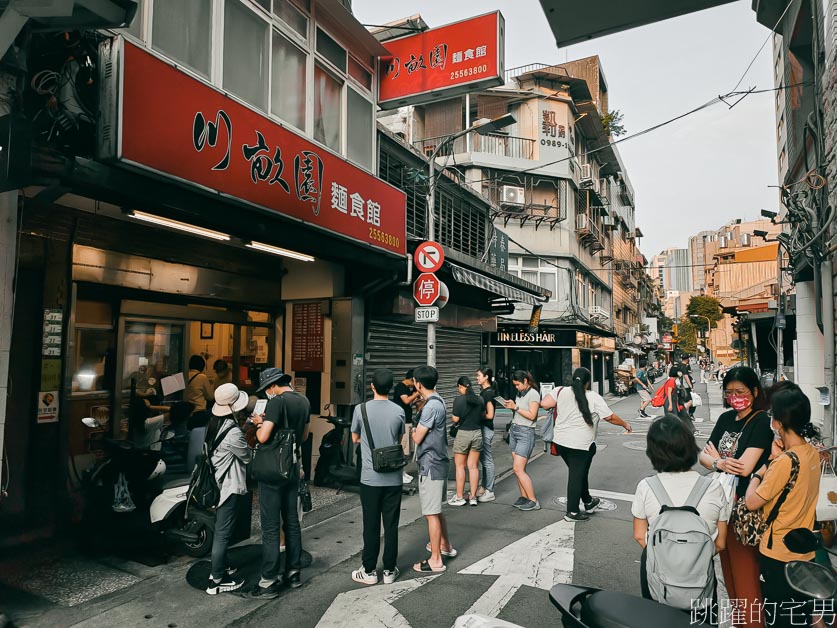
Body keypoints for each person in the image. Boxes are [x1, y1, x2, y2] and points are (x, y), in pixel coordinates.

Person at [698, 366, 772, 628]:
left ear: (754, 391)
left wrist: (717, 459)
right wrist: (719, 462)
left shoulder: (762, 421)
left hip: (744, 511)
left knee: (746, 580)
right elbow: (702, 457)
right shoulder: (725, 419)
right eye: (730, 393)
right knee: (729, 577)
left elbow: (745, 467)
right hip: (722, 509)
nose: (735, 397)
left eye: (740, 391)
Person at [744, 383, 821, 628]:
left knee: (781, 618)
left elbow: (752, 501)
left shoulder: (783, 463)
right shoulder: (812, 454)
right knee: (801, 611)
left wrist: (761, 470)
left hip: (778, 553)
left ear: (778, 422)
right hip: (804, 548)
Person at [632, 414, 730, 602]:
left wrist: (668, 555)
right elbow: (721, 543)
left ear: (653, 452)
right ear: (690, 447)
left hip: (658, 580)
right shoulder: (713, 487)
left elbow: (639, 535)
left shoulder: (646, 486)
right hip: (700, 578)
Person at [248, 368, 310, 598]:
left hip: (273, 470)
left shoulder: (276, 402)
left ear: (273, 386)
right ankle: (293, 573)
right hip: (292, 468)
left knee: (271, 525)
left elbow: (263, 437)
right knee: (291, 521)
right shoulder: (303, 400)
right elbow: (303, 436)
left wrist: (258, 423)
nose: (266, 393)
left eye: (266, 389)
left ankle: (268, 580)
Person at [542, 367, 632, 522]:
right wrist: (625, 424)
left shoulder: (560, 391)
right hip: (581, 445)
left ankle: (588, 502)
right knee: (576, 475)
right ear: (587, 383)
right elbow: (609, 417)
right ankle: (572, 512)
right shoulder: (593, 397)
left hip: (561, 442)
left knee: (578, 472)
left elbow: (544, 404)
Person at [350, 369, 405, 586]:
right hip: (393, 478)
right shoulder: (399, 411)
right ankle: (390, 570)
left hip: (370, 479)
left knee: (370, 524)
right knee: (391, 525)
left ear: (372, 387)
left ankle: (370, 570)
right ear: (391, 388)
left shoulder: (360, 409)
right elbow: (399, 438)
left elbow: (354, 437)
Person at [205, 383, 252, 595]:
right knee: (223, 533)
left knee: (222, 530)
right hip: (228, 485)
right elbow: (247, 456)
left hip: (217, 482)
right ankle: (217, 580)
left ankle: (221, 566)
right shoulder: (232, 432)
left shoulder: (213, 424)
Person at [411, 365, 454, 573]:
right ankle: (445, 546)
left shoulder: (430, 407)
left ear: (419, 384)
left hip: (431, 464)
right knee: (436, 510)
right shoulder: (438, 400)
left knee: (430, 513)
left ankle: (435, 559)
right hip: (439, 461)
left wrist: (412, 432)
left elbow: (418, 437)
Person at [502, 371, 542, 511]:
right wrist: (512, 406)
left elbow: (532, 415)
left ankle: (533, 500)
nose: (516, 388)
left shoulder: (534, 394)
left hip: (526, 433)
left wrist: (516, 407)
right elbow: (519, 412)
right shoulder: (521, 393)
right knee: (520, 469)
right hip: (515, 430)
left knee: (517, 469)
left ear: (525, 381)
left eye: (518, 384)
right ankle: (524, 496)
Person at [448, 376, 485, 507]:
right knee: (473, 466)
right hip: (477, 433)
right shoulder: (480, 399)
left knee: (460, 466)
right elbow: (482, 416)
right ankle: (473, 497)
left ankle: (460, 497)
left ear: (460, 387)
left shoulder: (458, 400)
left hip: (463, 434)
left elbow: (455, 419)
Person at [393, 369, 420, 483]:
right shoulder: (400, 387)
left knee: (407, 449)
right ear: (412, 379)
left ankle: (403, 472)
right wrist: (418, 392)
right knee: (403, 448)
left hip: (407, 420)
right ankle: (399, 473)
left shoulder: (407, 389)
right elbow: (406, 400)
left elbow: (410, 402)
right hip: (402, 421)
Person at [475, 367, 497, 503]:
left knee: (487, 460)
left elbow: (490, 414)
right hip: (484, 429)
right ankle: (484, 486)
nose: (477, 378)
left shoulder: (488, 394)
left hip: (486, 429)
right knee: (483, 459)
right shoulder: (484, 392)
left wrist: (476, 415)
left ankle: (490, 490)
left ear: (486, 377)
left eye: (479, 375)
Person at [186, 355, 215, 429]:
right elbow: (210, 397)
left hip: (186, 412)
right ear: (202, 366)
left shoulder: (184, 375)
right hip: (198, 412)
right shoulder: (202, 377)